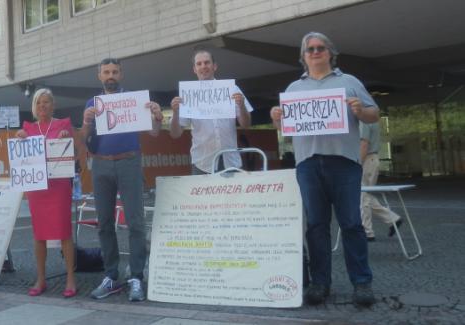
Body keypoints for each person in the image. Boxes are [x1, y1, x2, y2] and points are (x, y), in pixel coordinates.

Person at [270, 32, 379, 307]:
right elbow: (284, 129)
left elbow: (374, 114)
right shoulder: (294, 89)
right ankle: (320, 283)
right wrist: (276, 119)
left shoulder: (349, 82)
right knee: (316, 226)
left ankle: (362, 282)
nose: (316, 52)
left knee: (352, 224)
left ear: (330, 53)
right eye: (310, 49)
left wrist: (359, 111)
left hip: (344, 162)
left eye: (320, 48)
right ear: (303, 56)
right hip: (307, 164)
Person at [80, 58, 163, 302]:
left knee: (136, 221)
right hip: (101, 163)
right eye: (106, 72)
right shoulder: (92, 104)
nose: (111, 76)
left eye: (115, 71)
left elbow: (155, 132)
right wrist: (86, 121)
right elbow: (83, 140)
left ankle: (136, 275)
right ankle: (111, 275)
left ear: (121, 74)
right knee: (104, 222)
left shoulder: (136, 101)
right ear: (100, 76)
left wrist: (157, 116)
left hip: (129, 161)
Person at [15, 88, 77, 298]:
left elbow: (75, 152)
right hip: (37, 189)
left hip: (59, 186)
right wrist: (19, 139)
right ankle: (40, 278)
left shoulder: (63, 125)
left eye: (47, 102)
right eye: (39, 103)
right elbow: (21, 156)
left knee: (64, 232)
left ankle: (70, 277)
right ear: (34, 106)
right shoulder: (28, 128)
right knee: (39, 233)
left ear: (53, 105)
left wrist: (66, 138)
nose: (43, 106)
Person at [169, 49, 253, 174]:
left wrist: (241, 106)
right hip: (202, 164)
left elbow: (246, 124)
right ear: (194, 69)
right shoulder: (188, 95)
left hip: (230, 161)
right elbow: (175, 133)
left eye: (207, 63)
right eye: (199, 64)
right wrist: (175, 113)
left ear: (214, 66)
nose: (203, 66)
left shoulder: (232, 89)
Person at [360, 122, 402, 241]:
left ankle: (367, 232)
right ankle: (393, 219)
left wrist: (357, 164)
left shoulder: (363, 120)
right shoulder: (369, 118)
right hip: (370, 159)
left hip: (366, 159)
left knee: (362, 196)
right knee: (364, 195)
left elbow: (363, 144)